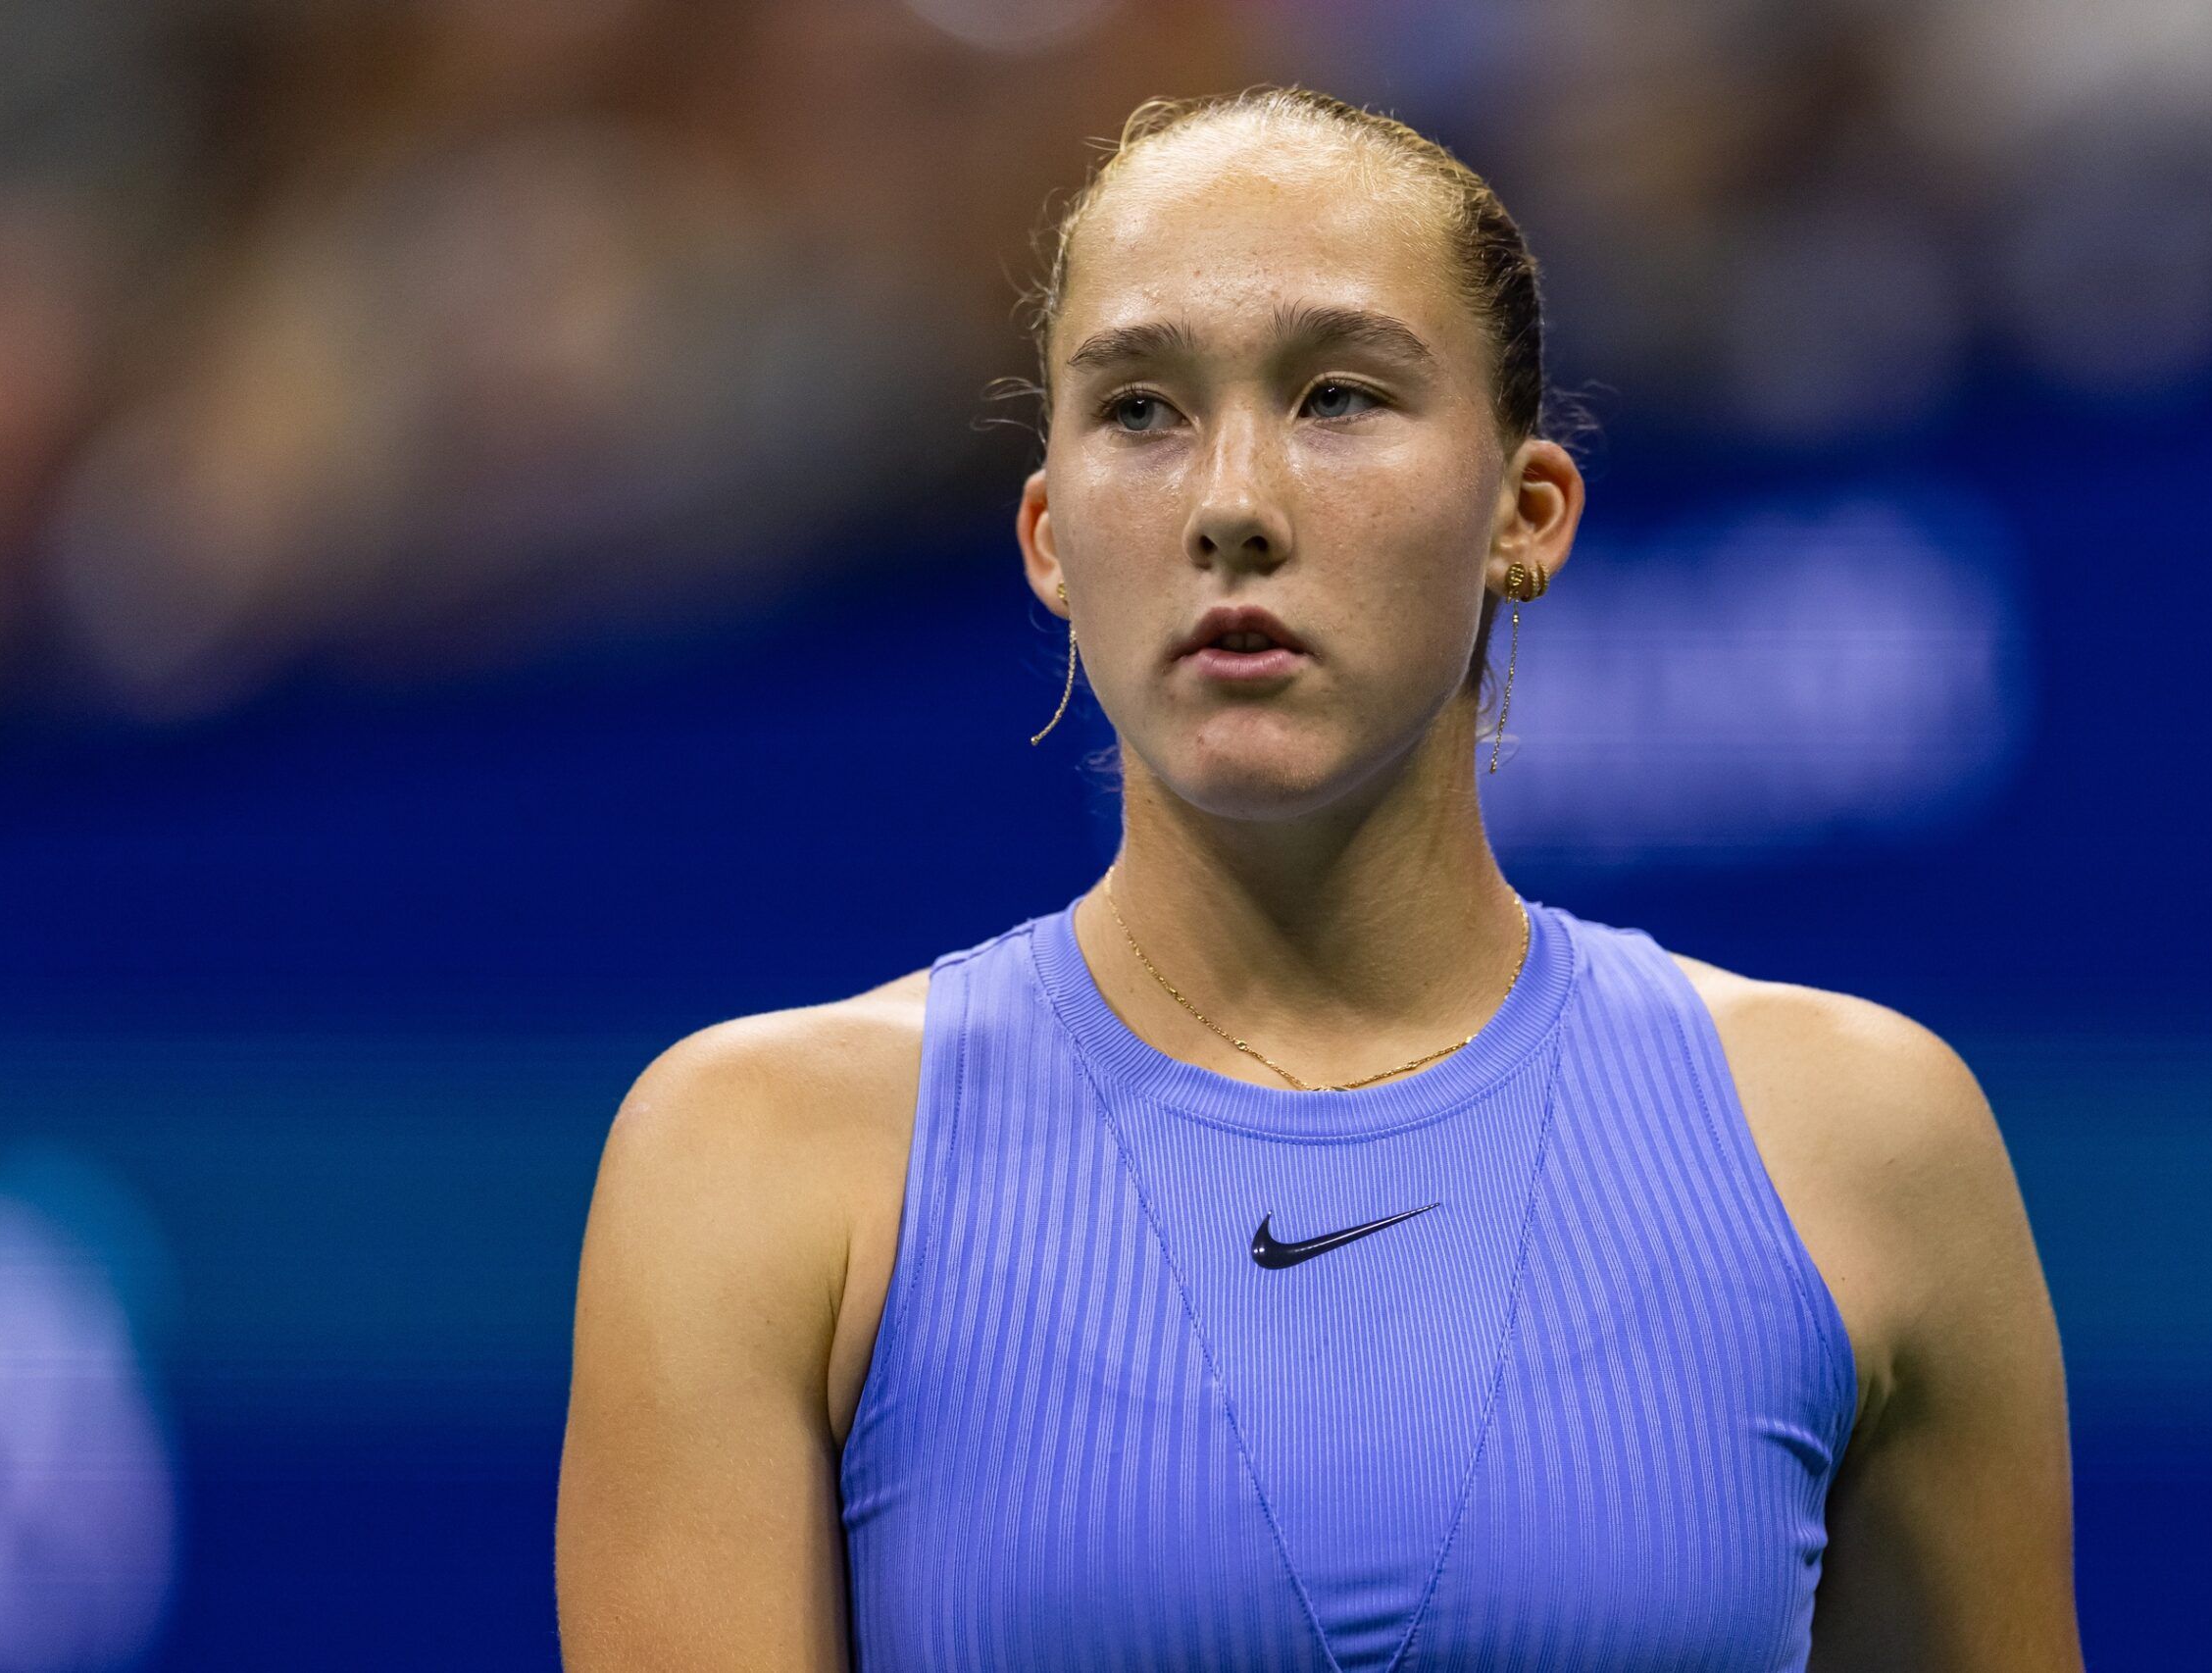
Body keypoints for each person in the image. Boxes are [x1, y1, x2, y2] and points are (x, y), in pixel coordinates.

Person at [554, 85, 2084, 1673]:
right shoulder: (748, 1168)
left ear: (1527, 512)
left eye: (1339, 396)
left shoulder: (1868, 1144)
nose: (1232, 506)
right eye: (1139, 409)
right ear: (1047, 536)